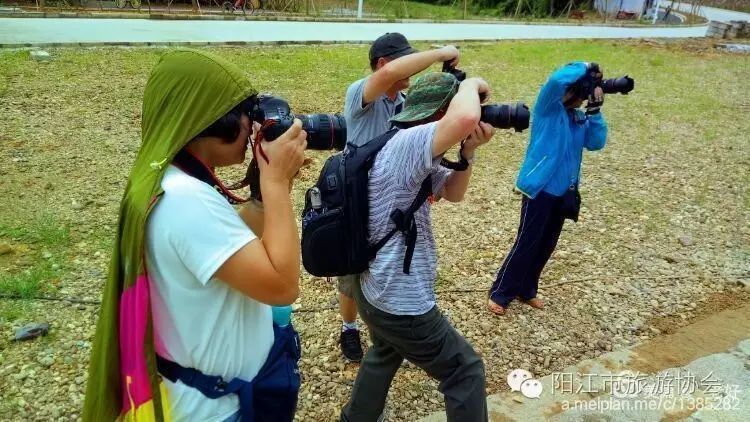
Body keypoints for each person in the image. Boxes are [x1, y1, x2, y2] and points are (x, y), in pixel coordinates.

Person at [83, 49, 306, 421]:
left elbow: (232, 246)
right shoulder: (188, 202)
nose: (252, 129)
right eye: (245, 115)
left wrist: (261, 194)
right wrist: (277, 182)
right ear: (210, 121)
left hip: (202, 394)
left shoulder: (169, 181)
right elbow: (282, 285)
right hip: (219, 410)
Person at [341, 72, 494, 422]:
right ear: (440, 114)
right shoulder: (411, 143)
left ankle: (356, 417)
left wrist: (468, 152)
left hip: (374, 288)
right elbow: (466, 117)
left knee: (385, 351)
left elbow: (453, 193)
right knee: (465, 371)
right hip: (400, 300)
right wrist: (470, 86)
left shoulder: (398, 142)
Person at [338, 32, 461, 362]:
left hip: (388, 199)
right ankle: (349, 328)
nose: (412, 71)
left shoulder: (404, 105)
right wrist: (440, 51)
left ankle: (383, 330)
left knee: (381, 266)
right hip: (356, 201)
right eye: (406, 60)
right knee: (351, 274)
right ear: (382, 63)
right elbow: (391, 75)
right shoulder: (360, 95)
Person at [487, 61, 608, 316]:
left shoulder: (579, 118)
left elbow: (596, 143)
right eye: (577, 92)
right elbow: (555, 81)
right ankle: (501, 291)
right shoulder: (547, 110)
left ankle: (527, 289)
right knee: (527, 241)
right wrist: (584, 67)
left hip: (565, 191)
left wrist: (595, 112)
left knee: (547, 244)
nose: (577, 98)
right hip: (540, 189)